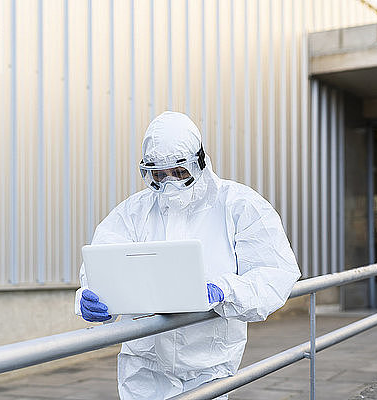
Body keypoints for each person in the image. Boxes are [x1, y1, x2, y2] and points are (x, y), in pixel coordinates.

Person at [75, 111, 301, 399]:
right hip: (144, 367)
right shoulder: (132, 212)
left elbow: (274, 273)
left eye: (180, 172)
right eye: (158, 174)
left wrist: (224, 290)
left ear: (200, 162)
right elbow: (102, 266)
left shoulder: (239, 205)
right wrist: (92, 297)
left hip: (208, 367)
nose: (169, 183)